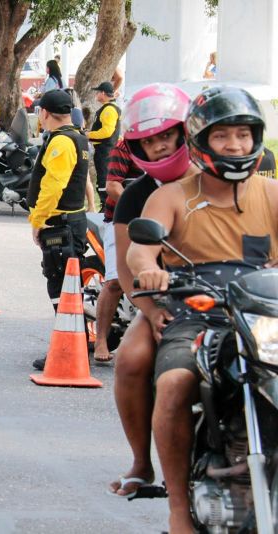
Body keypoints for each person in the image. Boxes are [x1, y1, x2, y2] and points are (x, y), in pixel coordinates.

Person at [127, 86, 276, 534]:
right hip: (196, 312)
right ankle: (177, 511)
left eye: (244, 136)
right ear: (200, 141)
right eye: (223, 136)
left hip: (263, 318)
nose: (235, 146)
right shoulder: (171, 196)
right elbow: (140, 252)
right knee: (173, 384)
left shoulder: (271, 194)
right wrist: (151, 270)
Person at [107, 83, 193, 499]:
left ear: (184, 132)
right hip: (167, 300)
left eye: (166, 136)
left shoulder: (224, 179)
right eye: (149, 140)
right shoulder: (136, 197)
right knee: (130, 359)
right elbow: (128, 269)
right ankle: (142, 461)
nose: (160, 146)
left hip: (234, 296)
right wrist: (153, 310)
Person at [27, 89, 90, 370]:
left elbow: (54, 185)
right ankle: (72, 342)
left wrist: (38, 220)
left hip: (59, 223)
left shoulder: (61, 142)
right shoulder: (77, 137)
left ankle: (67, 347)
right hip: (71, 220)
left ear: (44, 113)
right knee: (67, 285)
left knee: (60, 285)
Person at [92, 139, 143, 363]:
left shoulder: (178, 148)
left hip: (159, 220)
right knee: (114, 281)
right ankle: (101, 339)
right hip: (122, 219)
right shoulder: (126, 147)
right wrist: (137, 205)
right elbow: (113, 186)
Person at [87, 81, 121, 209]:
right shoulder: (111, 108)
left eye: (97, 92)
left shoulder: (109, 109)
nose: (96, 94)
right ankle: (106, 205)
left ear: (102, 93)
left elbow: (107, 132)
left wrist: (88, 135)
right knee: (104, 178)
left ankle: (106, 206)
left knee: (103, 179)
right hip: (106, 150)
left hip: (105, 151)